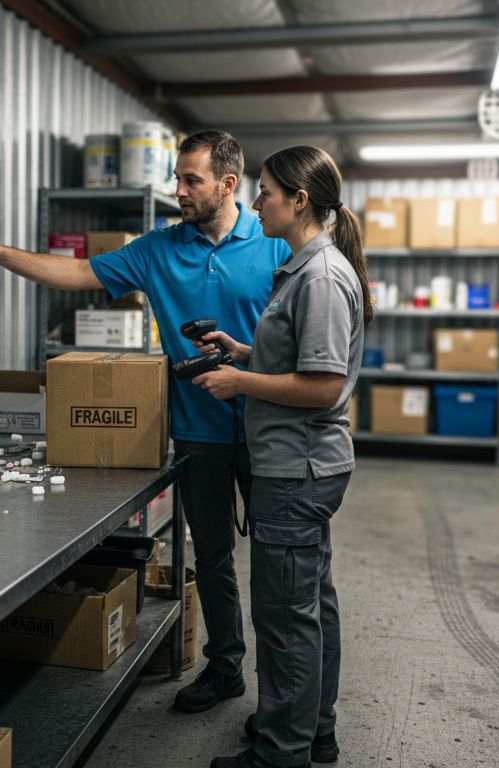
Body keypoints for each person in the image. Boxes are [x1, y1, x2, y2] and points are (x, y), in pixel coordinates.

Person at [0, 130, 291, 714]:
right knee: (211, 558)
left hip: (272, 429)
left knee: (280, 566)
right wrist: (2, 254)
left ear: (228, 185)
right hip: (198, 433)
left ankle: (284, 697)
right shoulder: (158, 249)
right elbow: (78, 274)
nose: (177, 190)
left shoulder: (276, 242)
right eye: (177, 178)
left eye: (191, 180)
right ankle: (226, 666)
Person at [190, 145, 371, 768]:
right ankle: (310, 728)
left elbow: (321, 385)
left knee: (286, 618)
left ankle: (282, 754)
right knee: (310, 605)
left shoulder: (319, 276)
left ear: (299, 201)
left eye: (264, 192)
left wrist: (240, 384)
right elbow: (299, 362)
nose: (255, 203)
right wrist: (244, 352)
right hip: (303, 466)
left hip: (296, 468)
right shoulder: (306, 267)